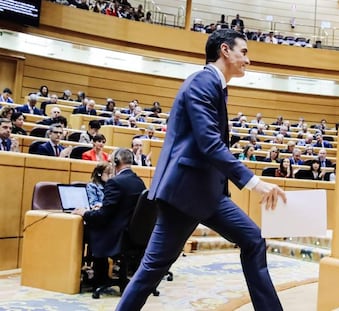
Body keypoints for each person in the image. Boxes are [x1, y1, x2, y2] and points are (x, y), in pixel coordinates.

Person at [116, 29, 286, 311]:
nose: (248, 60)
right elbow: (210, 144)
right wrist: (255, 183)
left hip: (207, 193)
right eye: (244, 52)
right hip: (185, 194)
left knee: (253, 240)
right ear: (225, 50)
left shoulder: (216, 86)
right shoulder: (202, 82)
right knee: (152, 269)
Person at [73, 148, 146, 288]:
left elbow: (103, 216)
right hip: (134, 236)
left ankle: (98, 277)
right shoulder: (139, 182)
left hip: (117, 236)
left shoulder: (115, 182)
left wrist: (84, 213)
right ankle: (99, 275)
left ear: (116, 162)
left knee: (90, 229)